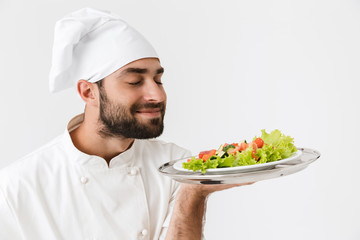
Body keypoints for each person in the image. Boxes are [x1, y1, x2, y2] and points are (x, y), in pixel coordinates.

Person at [0, 8, 252, 240]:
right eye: (134, 81)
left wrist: (193, 191)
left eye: (158, 79)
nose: (157, 95)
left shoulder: (177, 167)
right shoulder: (19, 186)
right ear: (88, 92)